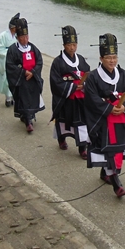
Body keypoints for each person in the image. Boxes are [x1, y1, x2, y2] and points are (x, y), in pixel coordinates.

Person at [84, 33, 125, 198]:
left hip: (120, 119)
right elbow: (91, 98)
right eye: (108, 58)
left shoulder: (124, 75)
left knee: (118, 149)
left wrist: (124, 106)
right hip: (104, 119)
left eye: (114, 57)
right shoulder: (93, 77)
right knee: (110, 150)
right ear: (101, 58)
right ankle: (116, 184)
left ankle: (106, 173)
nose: (112, 61)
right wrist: (108, 108)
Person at [49, 25, 90, 158]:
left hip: (80, 99)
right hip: (66, 99)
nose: (72, 48)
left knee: (82, 123)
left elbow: (89, 76)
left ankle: (82, 148)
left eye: (74, 45)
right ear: (64, 45)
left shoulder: (81, 60)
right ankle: (61, 139)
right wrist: (72, 87)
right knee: (63, 121)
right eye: (69, 45)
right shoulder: (58, 62)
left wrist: (84, 84)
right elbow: (55, 82)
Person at [5, 17, 44, 132]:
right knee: (23, 97)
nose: (25, 39)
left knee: (33, 96)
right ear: (17, 37)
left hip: (33, 78)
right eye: (22, 37)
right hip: (21, 80)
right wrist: (23, 72)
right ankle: (28, 121)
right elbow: (10, 65)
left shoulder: (33, 48)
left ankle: (29, 116)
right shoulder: (13, 50)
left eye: (27, 36)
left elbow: (39, 61)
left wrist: (33, 72)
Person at [0, 13, 19, 107]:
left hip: (16, 59)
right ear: (12, 27)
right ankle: (8, 98)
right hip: (7, 58)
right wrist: (9, 54)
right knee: (7, 79)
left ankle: (14, 98)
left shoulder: (17, 36)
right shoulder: (3, 35)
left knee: (16, 78)